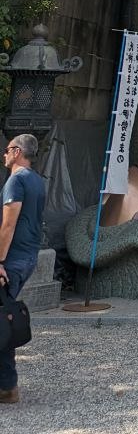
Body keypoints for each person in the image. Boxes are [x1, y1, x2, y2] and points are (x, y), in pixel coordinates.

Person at [0, 133, 46, 404]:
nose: (4, 155)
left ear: (17, 152)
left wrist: (0, 261)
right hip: (27, 255)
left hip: (11, 259)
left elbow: (9, 224)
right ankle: (6, 385)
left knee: (2, 321)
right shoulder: (36, 181)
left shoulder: (16, 180)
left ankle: (7, 386)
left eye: (7, 150)